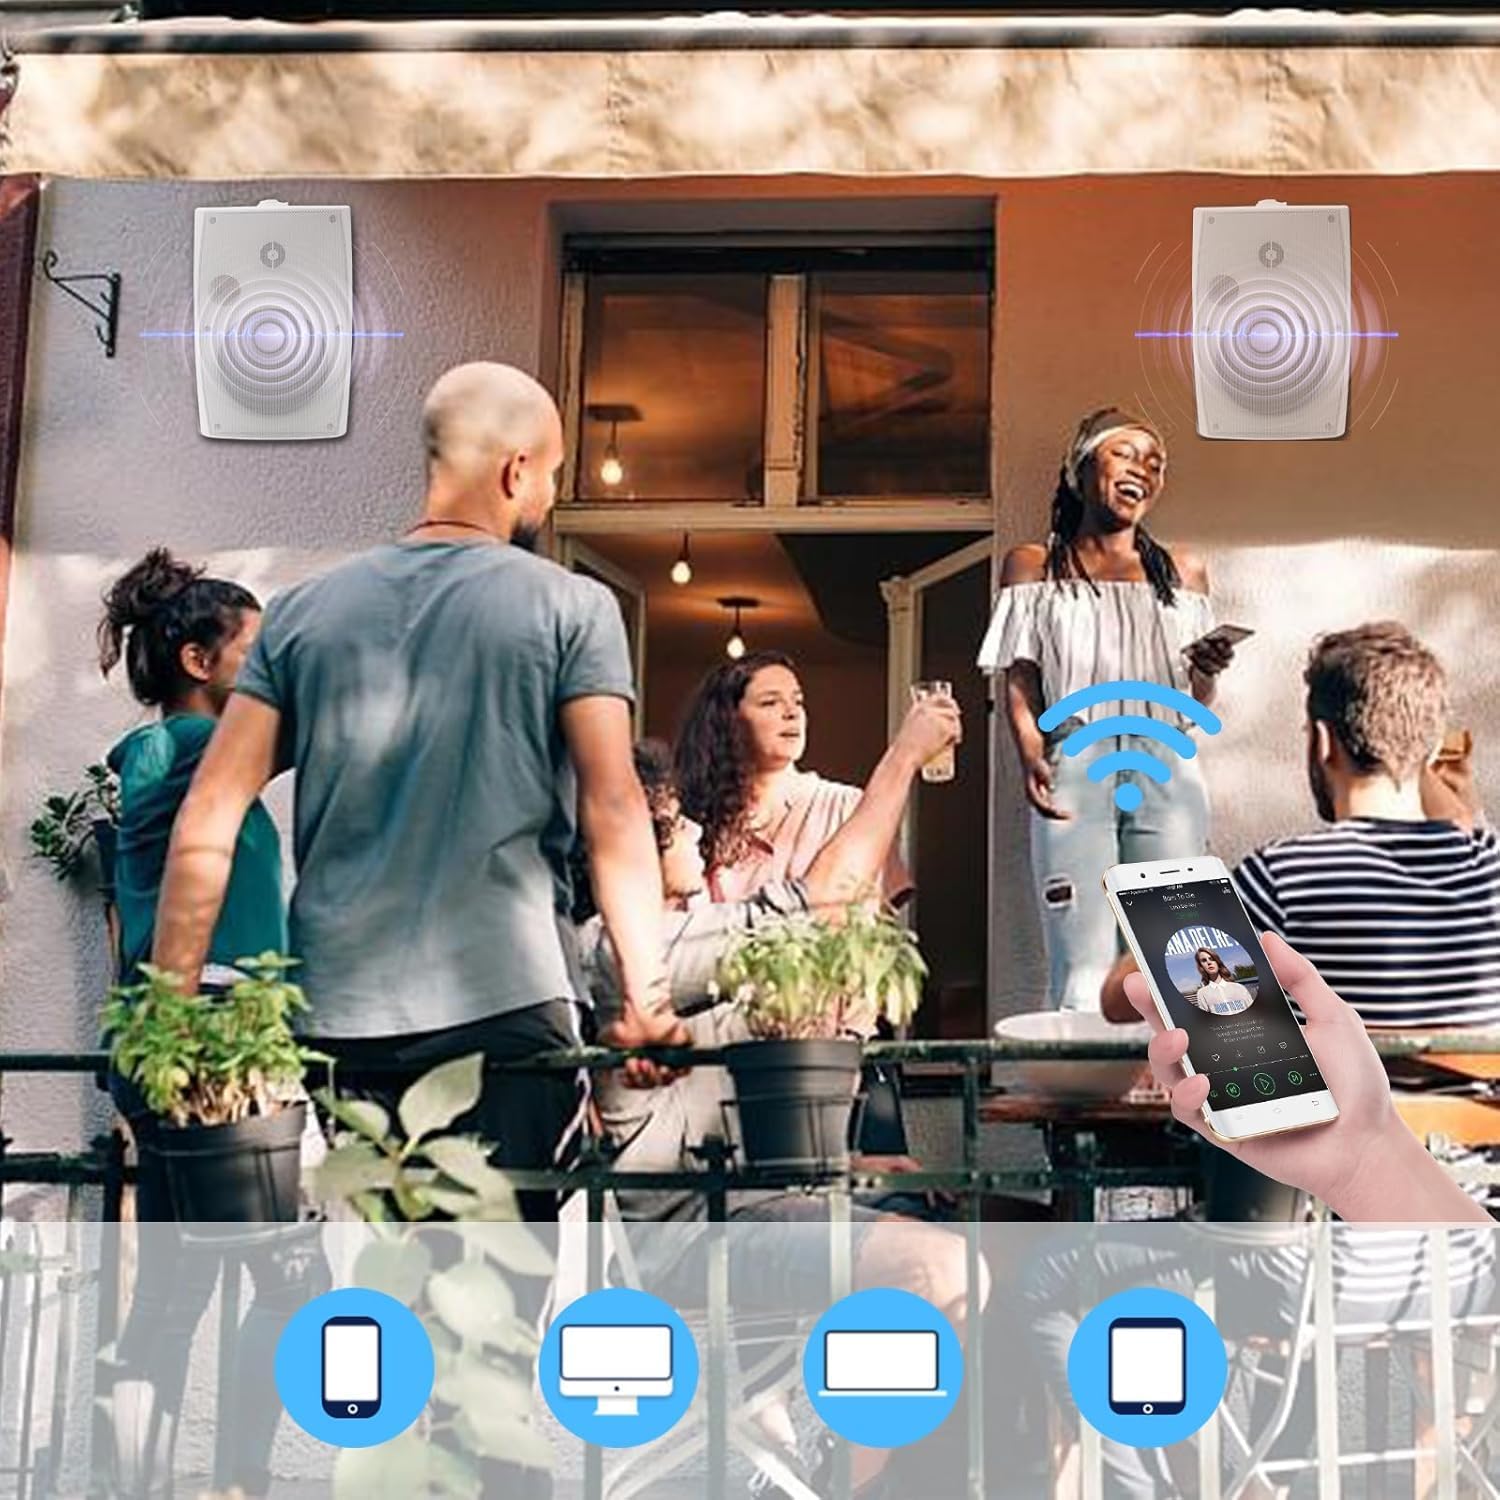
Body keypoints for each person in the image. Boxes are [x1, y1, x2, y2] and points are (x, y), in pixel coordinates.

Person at [151, 362, 684, 1229]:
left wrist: (171, 1016)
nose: (550, 494)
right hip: (507, 1002)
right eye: (552, 474)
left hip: (342, 1014)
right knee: (488, 1290)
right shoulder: (572, 607)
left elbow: (208, 814)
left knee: (383, 1280)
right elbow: (614, 808)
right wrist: (647, 1000)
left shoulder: (304, 614)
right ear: (515, 470)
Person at [581, 696, 993, 1499]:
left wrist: (852, 1160)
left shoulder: (665, 943)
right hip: (696, 1238)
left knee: (976, 1257)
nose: (697, 833)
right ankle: (850, 1480)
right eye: (679, 823)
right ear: (638, 840)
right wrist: (903, 756)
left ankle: (850, 1463)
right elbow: (826, 897)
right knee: (938, 1267)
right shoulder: (632, 948)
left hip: (748, 1207)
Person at [96, 549, 325, 1500]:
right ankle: (239, 1480)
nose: (271, 673)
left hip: (192, 1043)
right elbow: (311, 723)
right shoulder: (186, 747)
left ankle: (139, 1482)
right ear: (198, 662)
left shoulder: (178, 752)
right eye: (256, 652)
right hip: (213, 1042)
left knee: (178, 1285)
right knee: (290, 1282)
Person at [1103, 623, 1497, 1030]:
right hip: (1465, 1077)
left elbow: (1119, 998)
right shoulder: (1489, 867)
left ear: (1323, 742)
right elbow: (1465, 823)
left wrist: (1192, 906)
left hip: (1337, 1076)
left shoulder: (1281, 877)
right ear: (1431, 752)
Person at [979, 408, 1236, 1011]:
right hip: (1075, 757)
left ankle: (1181, 1068)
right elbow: (1021, 677)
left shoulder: (1183, 571)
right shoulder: (1033, 566)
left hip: (1166, 762)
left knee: (1182, 948)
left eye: (1156, 463)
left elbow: (1195, 701)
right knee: (1083, 955)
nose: (1143, 468)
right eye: (1125, 453)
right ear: (1081, 467)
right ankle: (1088, 1068)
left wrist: (1208, 668)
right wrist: (1030, 751)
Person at [674, 649, 911, 905]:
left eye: (798, 701)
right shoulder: (695, 822)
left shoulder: (847, 807)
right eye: (770, 702)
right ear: (729, 720)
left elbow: (882, 918)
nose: (791, 712)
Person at [1188, 947, 1253, 1015]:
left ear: (1217, 962)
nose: (1209, 962)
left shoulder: (1239, 988)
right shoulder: (1202, 993)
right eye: (1204, 960)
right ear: (1201, 967)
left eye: (1211, 959)